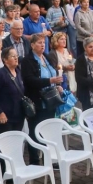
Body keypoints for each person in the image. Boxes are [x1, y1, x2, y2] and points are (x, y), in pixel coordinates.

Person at [21, 33, 62, 165]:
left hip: (50, 101)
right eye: (39, 43)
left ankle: (49, 159)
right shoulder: (28, 61)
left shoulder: (47, 57)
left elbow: (53, 72)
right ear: (32, 45)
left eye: (43, 43)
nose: (42, 45)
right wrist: (49, 81)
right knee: (35, 132)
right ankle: (34, 161)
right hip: (37, 101)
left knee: (49, 131)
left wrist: (57, 85)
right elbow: (29, 80)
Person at [0, 46, 26, 135]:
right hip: (5, 118)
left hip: (18, 116)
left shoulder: (18, 71)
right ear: (5, 59)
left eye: (16, 55)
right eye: (12, 56)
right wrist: (0, 112)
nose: (16, 58)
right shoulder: (0, 74)